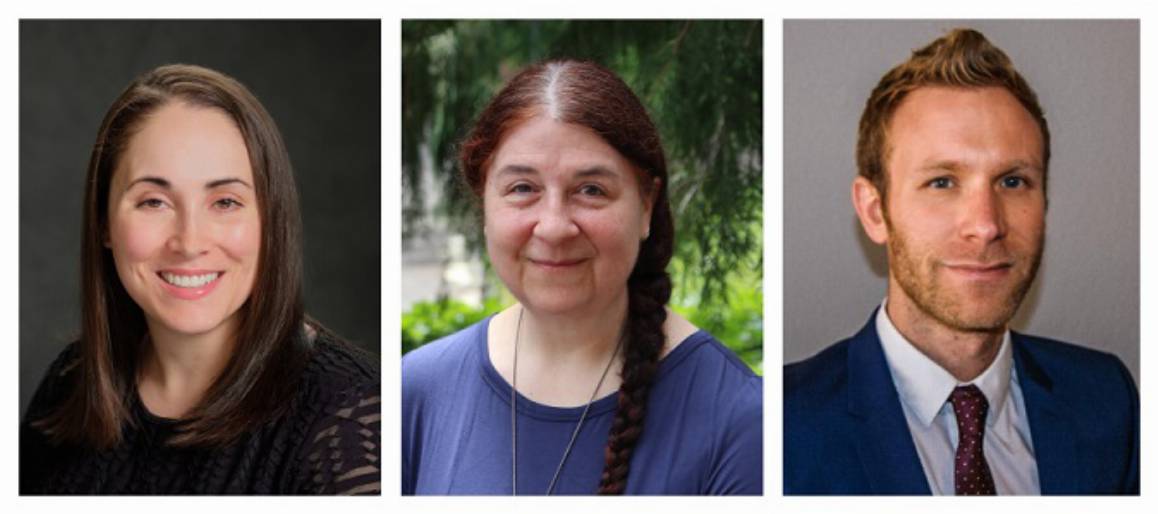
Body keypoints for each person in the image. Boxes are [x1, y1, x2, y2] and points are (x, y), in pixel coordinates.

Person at [783, 28, 1139, 495]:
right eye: (942, 182)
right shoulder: (782, 428)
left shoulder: (1107, 399)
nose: (986, 224)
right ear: (875, 211)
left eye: (1013, 182)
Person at [401, 59, 762, 495]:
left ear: (646, 205)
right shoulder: (416, 392)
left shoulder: (742, 421)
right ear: (484, 206)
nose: (554, 227)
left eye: (591, 190)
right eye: (522, 189)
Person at [20, 64, 381, 495]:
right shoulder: (71, 383)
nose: (189, 242)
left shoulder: (348, 417)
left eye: (225, 201)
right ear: (103, 223)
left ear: (271, 220)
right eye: (153, 202)